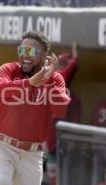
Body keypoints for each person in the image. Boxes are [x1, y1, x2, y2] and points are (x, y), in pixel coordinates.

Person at [0, 31, 70, 185]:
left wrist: (49, 80)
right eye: (22, 50)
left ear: (44, 56)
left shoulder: (55, 79)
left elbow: (61, 110)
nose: (25, 55)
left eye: (31, 51)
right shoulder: (10, 69)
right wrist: (28, 83)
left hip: (32, 154)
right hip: (2, 146)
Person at [45, 42, 81, 185]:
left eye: (61, 64)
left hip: (64, 146)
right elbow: (70, 69)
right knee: (52, 177)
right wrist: (75, 57)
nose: (59, 68)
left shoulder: (74, 100)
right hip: (51, 143)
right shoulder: (54, 79)